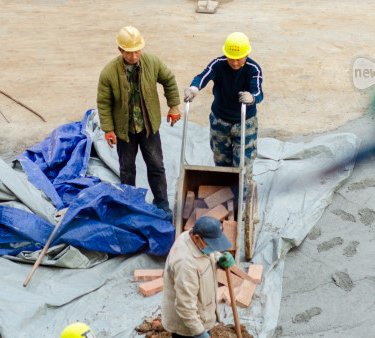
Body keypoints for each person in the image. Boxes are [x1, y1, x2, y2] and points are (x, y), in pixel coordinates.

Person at [97, 26, 181, 217]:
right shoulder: (109, 73)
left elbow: (168, 79)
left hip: (148, 127)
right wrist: (108, 129)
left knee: (156, 166)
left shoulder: (152, 62)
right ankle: (129, 204)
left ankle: (161, 202)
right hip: (124, 130)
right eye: (129, 52)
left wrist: (174, 106)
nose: (135, 56)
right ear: (120, 50)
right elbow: (103, 102)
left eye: (137, 51)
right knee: (127, 169)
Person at [184, 32, 262, 197]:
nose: (234, 62)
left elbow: (258, 91)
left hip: (244, 122)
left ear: (246, 54)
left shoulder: (253, 69)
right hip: (220, 120)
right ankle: (223, 199)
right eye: (231, 58)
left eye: (239, 58)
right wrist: (194, 88)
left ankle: (241, 202)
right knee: (221, 162)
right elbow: (203, 75)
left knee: (243, 164)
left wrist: (252, 97)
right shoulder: (219, 64)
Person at [162, 216, 235, 338]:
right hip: (187, 328)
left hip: (201, 316)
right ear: (197, 238)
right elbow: (185, 307)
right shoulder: (185, 265)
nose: (214, 248)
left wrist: (218, 258)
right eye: (212, 245)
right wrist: (200, 333)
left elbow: (208, 253)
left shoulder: (192, 237)